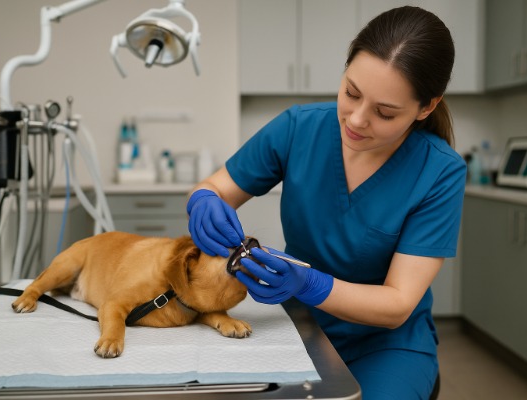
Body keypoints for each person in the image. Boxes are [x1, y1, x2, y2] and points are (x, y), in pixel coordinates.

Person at [186, 6, 465, 400]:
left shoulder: (439, 171)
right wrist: (203, 200)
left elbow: (397, 303)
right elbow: (216, 187)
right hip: (299, 326)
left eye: (384, 112)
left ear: (426, 107)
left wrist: (310, 283)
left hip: (386, 345)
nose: (355, 120)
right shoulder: (299, 128)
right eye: (351, 92)